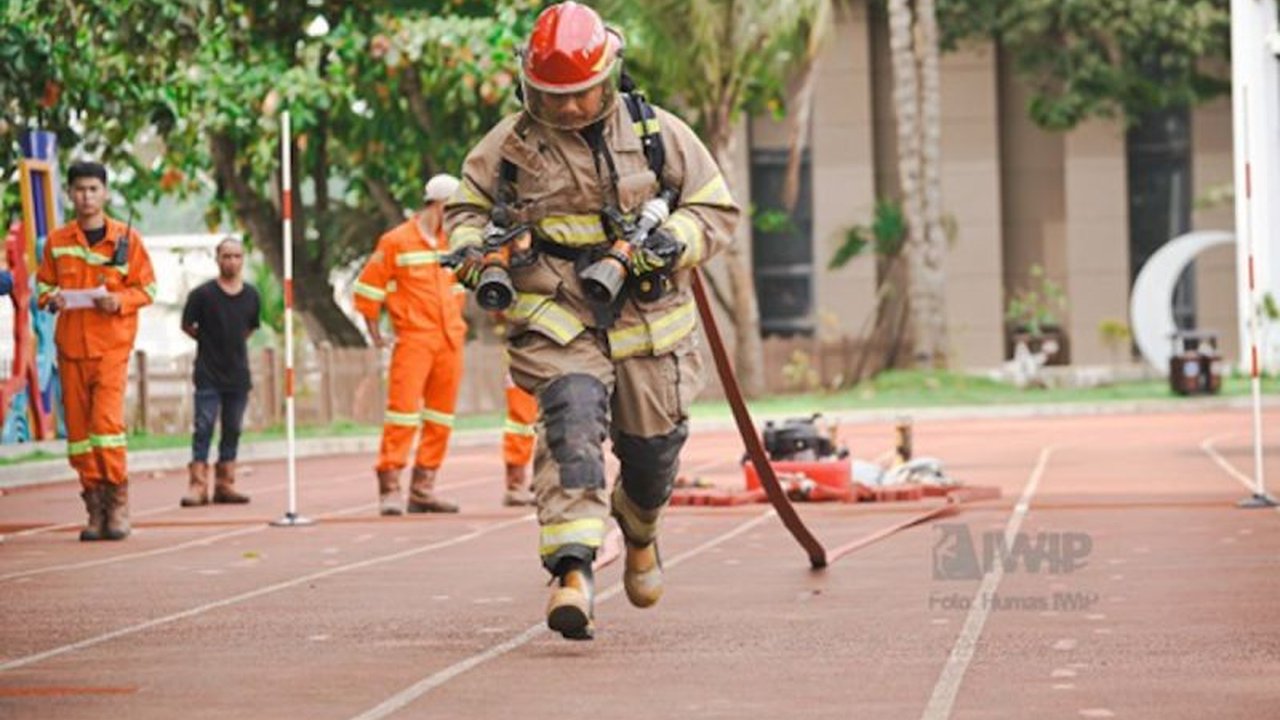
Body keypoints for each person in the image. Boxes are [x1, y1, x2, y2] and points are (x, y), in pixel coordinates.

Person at [445, 1, 739, 640]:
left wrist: (671, 241)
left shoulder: (657, 133)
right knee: (570, 423)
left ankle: (640, 531)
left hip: (650, 324)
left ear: (608, 76)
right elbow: (464, 211)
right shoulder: (508, 147)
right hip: (558, 319)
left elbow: (716, 208)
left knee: (652, 454)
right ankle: (572, 573)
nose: (572, 109)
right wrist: (478, 251)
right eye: (556, 97)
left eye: (583, 95)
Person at [35, 161, 156, 541]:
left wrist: (118, 302)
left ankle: (118, 502)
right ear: (69, 193)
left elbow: (148, 290)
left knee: (106, 427)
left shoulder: (126, 240)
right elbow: (43, 287)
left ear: (104, 193)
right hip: (71, 348)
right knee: (81, 435)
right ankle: (94, 504)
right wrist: (51, 299)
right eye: (79, 189)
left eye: (93, 189)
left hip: (110, 349)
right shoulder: (57, 241)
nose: (86, 197)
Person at [354, 173, 467, 516]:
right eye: (454, 208)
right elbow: (368, 289)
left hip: (450, 340)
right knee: (402, 414)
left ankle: (423, 489)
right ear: (437, 204)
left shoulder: (455, 243)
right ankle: (390, 487)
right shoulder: (396, 241)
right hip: (414, 340)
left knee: (441, 418)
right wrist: (375, 333)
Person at [179, 237, 260, 506]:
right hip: (208, 373)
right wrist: (209, 340)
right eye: (226, 256)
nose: (232, 261)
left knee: (233, 428)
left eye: (237, 256)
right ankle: (198, 484)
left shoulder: (251, 296)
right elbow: (188, 325)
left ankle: (225, 483)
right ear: (217, 259)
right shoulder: (202, 295)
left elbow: (249, 328)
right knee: (203, 426)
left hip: (237, 374)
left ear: (243, 259)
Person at [501, 365, 537, 507]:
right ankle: (515, 483)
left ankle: (546, 480)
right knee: (520, 421)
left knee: (558, 417)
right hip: (523, 356)